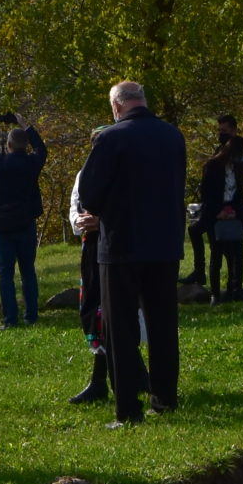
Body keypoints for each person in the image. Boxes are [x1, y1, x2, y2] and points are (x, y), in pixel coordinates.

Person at [75, 80, 188, 425]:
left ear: (117, 106)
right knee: (162, 324)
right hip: (165, 243)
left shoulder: (111, 138)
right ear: (143, 100)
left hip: (122, 244)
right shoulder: (173, 136)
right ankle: (164, 398)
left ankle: (128, 409)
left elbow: (89, 196)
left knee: (120, 326)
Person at [0, 113, 47, 327]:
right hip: (26, 221)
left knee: (5, 274)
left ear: (9, 145)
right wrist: (27, 126)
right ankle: (31, 316)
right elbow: (42, 150)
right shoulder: (32, 163)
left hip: (3, 223)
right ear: (25, 145)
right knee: (28, 271)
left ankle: (10, 318)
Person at [65, 165, 108, 405]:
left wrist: (101, 222)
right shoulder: (84, 174)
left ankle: (105, 379)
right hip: (91, 251)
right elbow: (75, 204)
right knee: (97, 311)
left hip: (121, 249)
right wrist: (80, 220)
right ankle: (101, 380)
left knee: (118, 314)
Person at [197, 117, 243, 301]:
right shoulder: (212, 166)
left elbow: (238, 190)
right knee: (217, 254)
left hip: (234, 212)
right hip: (215, 214)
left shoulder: (238, 166)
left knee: (237, 253)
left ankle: (236, 289)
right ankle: (215, 294)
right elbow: (206, 193)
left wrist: (235, 211)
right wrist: (217, 212)